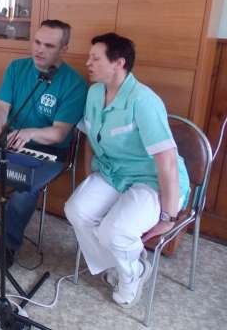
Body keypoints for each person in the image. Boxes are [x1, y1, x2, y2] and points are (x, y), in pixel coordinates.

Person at [0, 20, 87, 267]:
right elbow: (1, 107)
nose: (39, 50)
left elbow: (59, 133)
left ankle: (8, 244)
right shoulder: (17, 68)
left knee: (24, 189)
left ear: (64, 49)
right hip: (8, 141)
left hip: (48, 152)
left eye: (49, 46)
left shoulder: (75, 84)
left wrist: (29, 133)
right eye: (37, 42)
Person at [64, 33, 190, 308]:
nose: (88, 63)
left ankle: (133, 272)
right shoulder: (95, 92)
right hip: (113, 173)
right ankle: (119, 264)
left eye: (95, 58)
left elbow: (167, 161)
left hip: (153, 179)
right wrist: (90, 177)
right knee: (77, 210)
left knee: (114, 232)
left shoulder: (143, 100)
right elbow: (90, 138)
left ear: (118, 63)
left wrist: (169, 217)